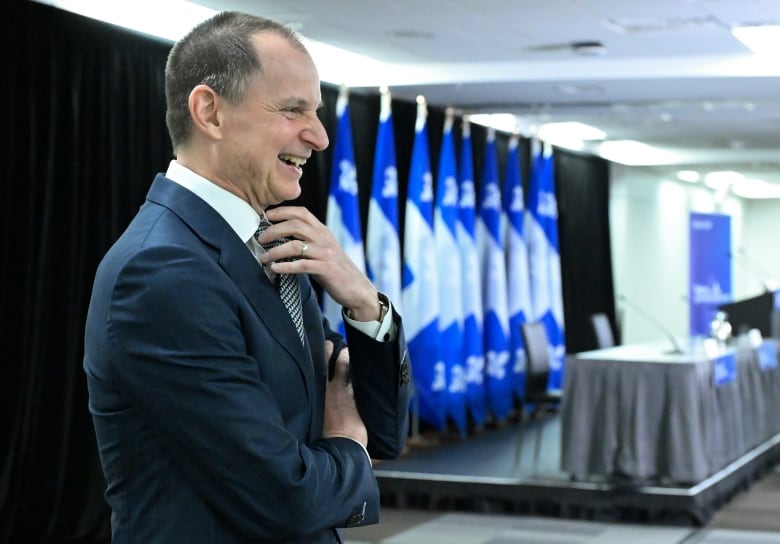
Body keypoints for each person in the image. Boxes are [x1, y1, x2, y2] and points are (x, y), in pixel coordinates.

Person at [83, 11, 411, 543]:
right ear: (209, 111)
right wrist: (350, 446)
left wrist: (363, 303)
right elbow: (288, 497)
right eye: (292, 110)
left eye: (317, 112)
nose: (320, 137)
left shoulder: (270, 242)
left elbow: (387, 431)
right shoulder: (163, 272)